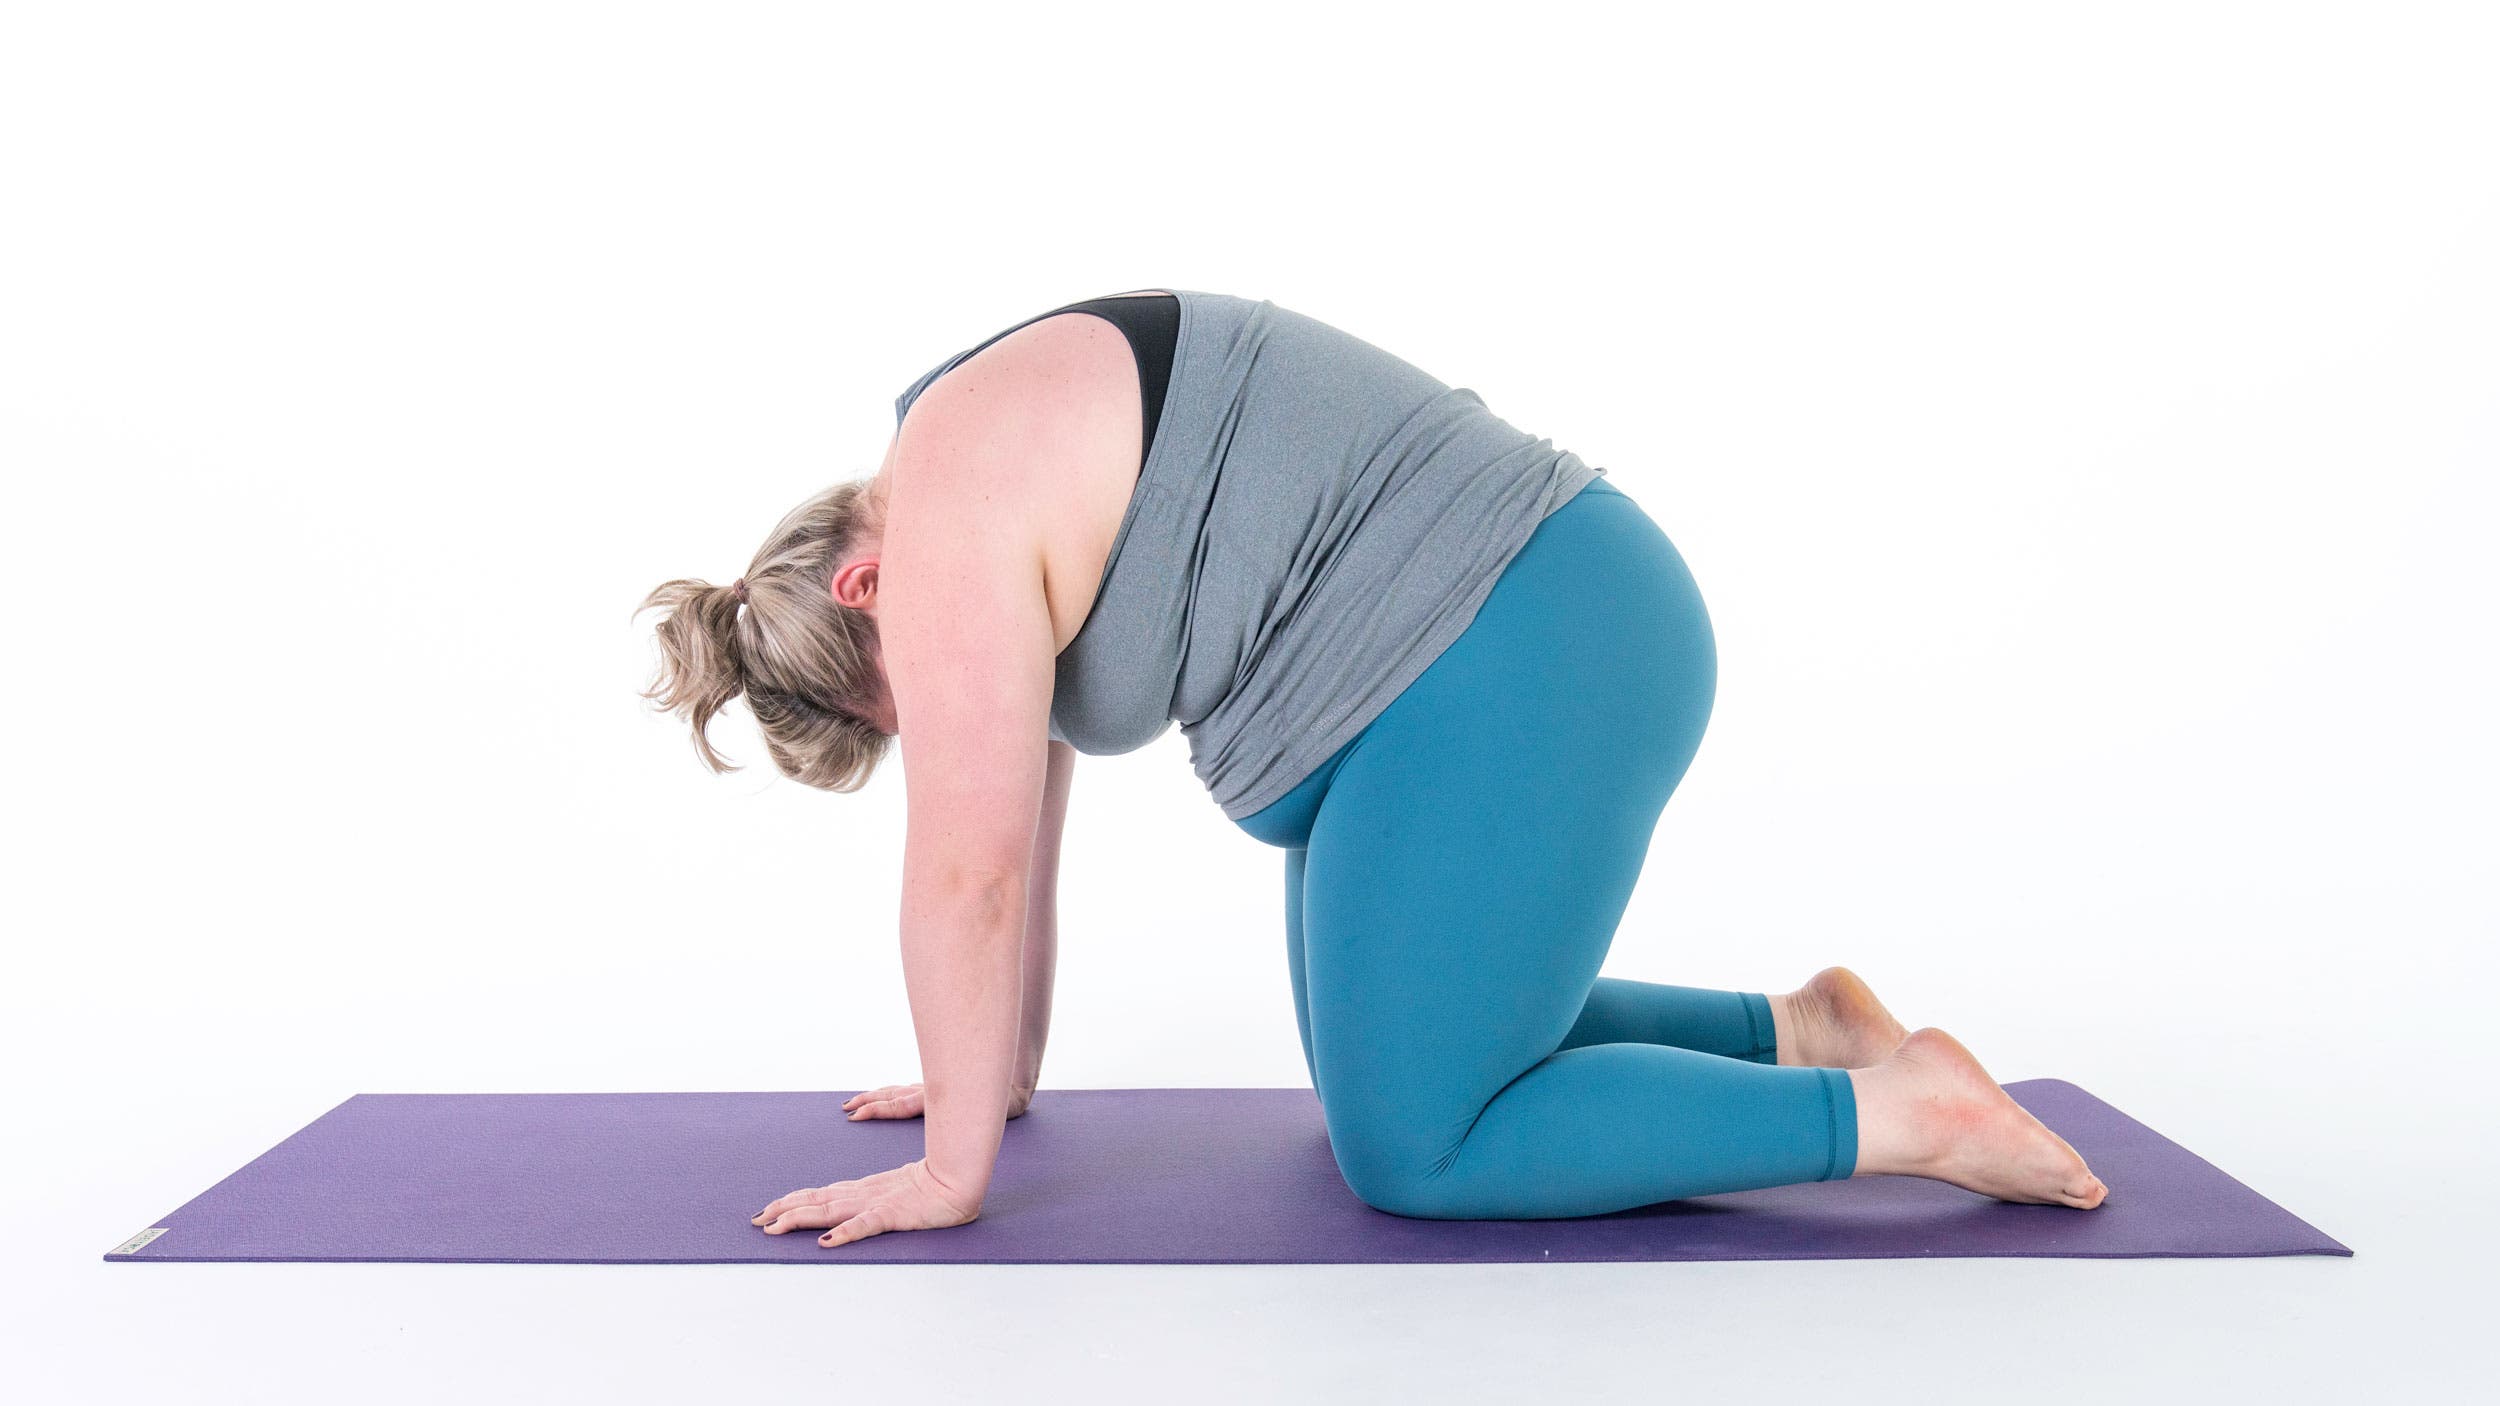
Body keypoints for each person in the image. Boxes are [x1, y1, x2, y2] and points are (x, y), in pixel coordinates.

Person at [638, 288, 2109, 1250]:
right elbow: (1018, 820)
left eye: (898, 716)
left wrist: (950, 1174)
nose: (941, 742)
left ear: (863, 592)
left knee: (1424, 1141)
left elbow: (970, 864)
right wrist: (995, 1079)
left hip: (1525, 637)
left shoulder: (950, 507)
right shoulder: (965, 456)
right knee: (1407, 1061)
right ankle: (1801, 1029)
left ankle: (1904, 1112)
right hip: (1476, 659)